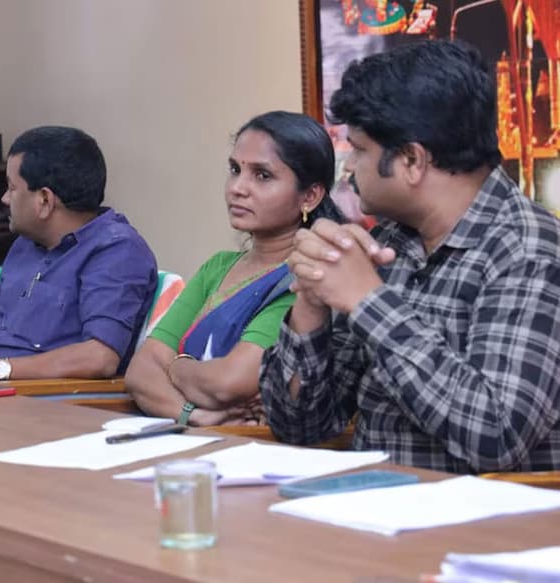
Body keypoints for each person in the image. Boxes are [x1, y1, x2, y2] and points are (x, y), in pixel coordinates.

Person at [260, 40, 560, 472]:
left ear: (412, 160)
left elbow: (495, 435)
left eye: (360, 150)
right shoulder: (391, 244)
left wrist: (367, 301)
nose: (348, 169)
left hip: (485, 531)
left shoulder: (530, 250)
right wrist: (311, 302)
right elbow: (300, 427)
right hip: (368, 513)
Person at [125, 112, 344, 426]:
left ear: (309, 196)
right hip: (198, 437)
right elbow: (141, 370)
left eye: (262, 175)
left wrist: (176, 366)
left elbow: (230, 382)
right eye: (235, 169)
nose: (237, 188)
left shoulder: (303, 276)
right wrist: (193, 415)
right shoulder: (218, 267)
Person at [0, 126, 157, 385]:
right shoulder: (24, 245)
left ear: (45, 200)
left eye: (11, 188)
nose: (4, 199)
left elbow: (99, 357)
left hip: (44, 403)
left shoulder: (116, 251)